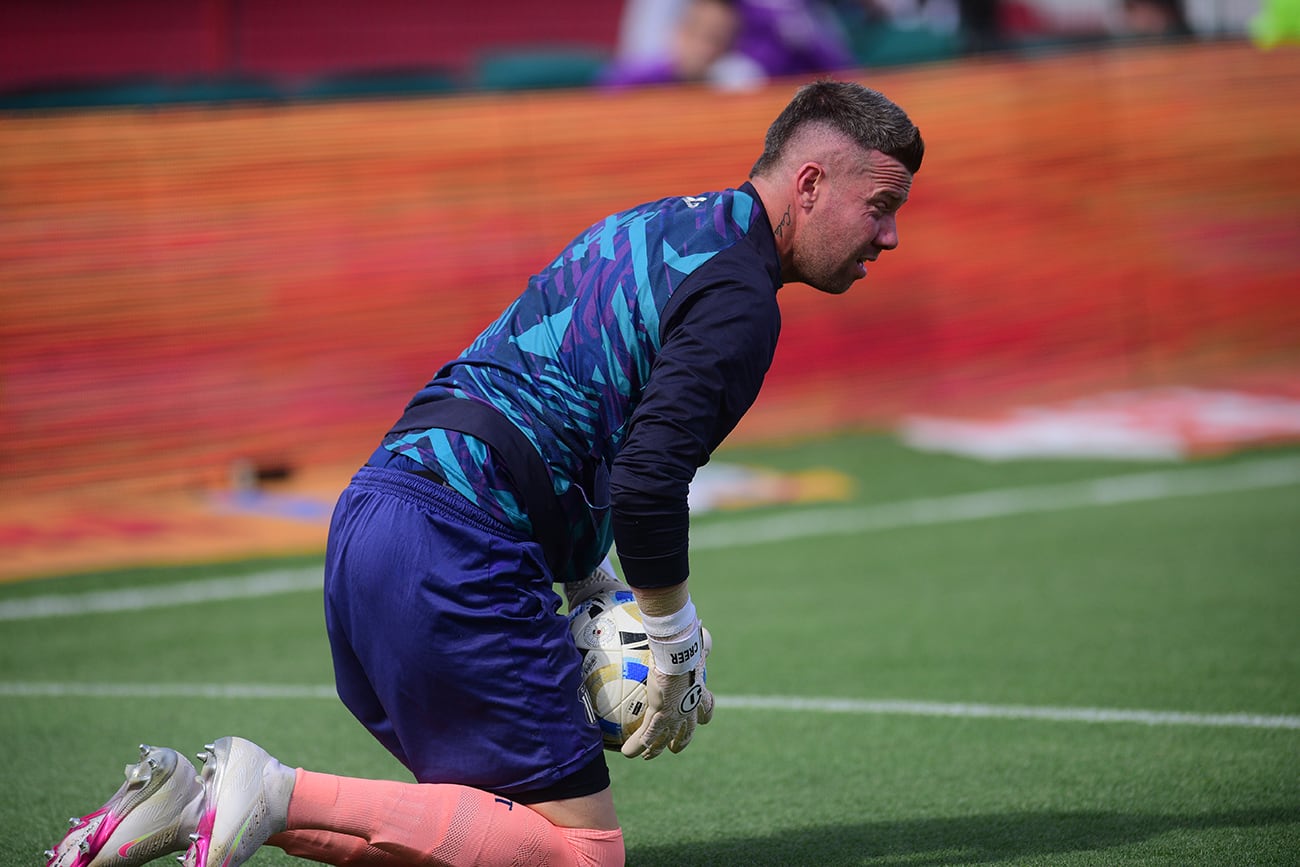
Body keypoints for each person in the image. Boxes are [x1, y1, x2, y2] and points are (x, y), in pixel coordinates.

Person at [46, 79, 924, 867]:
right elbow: (651, 478)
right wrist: (675, 638)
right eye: (880, 205)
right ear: (809, 184)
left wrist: (587, 575)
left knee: (474, 827)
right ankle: (270, 789)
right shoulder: (738, 296)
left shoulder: (654, 223)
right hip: (460, 545)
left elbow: (545, 388)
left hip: (375, 516)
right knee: (582, 857)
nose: (888, 236)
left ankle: (194, 800)